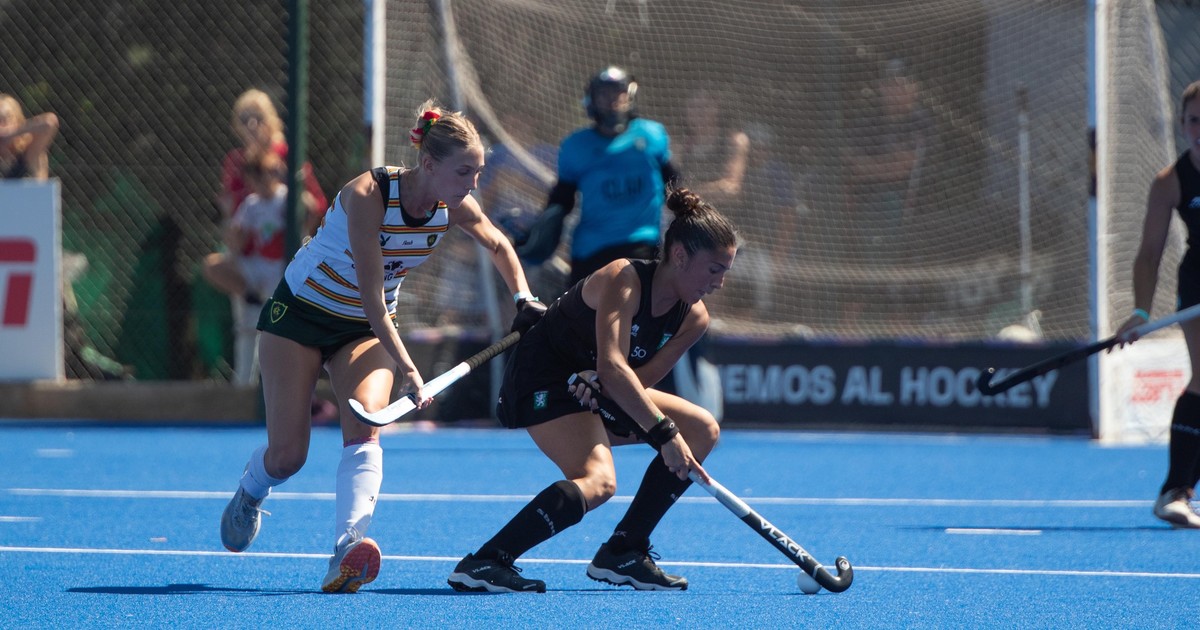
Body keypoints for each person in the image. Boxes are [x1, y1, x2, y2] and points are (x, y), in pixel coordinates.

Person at [218, 100, 547, 593]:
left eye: (478, 172)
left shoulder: (453, 204)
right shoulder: (369, 194)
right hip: (300, 318)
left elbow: (498, 244)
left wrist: (523, 297)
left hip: (363, 331)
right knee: (288, 457)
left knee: (366, 425)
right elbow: (371, 294)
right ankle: (250, 491)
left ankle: (346, 547)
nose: (474, 183)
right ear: (428, 164)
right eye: (464, 172)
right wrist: (410, 368)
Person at [448, 186, 737, 593]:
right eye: (714, 269)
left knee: (702, 429)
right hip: (542, 378)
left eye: (725, 271)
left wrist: (606, 388)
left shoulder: (694, 319)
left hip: (600, 389)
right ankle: (486, 561)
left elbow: (639, 378)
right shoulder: (624, 277)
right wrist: (664, 434)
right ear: (679, 256)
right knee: (599, 481)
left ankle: (624, 551)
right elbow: (613, 365)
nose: (719, 283)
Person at [1115, 79, 1200, 529]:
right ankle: (1175, 492)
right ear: (1182, 124)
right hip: (1197, 285)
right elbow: (1149, 254)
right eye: (1194, 120)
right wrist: (1141, 313)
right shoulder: (1170, 181)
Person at [517, 66, 681, 288]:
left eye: (618, 93)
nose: (612, 100)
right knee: (579, 310)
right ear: (591, 99)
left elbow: (674, 186)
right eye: (604, 94)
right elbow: (561, 200)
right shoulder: (576, 145)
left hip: (642, 245)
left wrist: (693, 224)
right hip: (591, 250)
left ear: (630, 96)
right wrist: (541, 227)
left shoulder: (652, 135)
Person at [201, 151, 292, 384]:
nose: (258, 184)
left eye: (262, 176)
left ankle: (278, 383)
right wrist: (227, 214)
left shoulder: (288, 198)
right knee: (214, 266)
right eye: (253, 178)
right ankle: (243, 384)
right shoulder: (252, 204)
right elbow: (236, 243)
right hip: (258, 267)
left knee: (275, 332)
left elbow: (310, 217)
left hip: (282, 271)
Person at [218, 88, 326, 232]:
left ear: (270, 119)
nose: (252, 125)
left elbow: (318, 205)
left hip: (285, 238)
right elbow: (230, 211)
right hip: (249, 241)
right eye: (244, 119)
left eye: (258, 117)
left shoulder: (287, 154)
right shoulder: (235, 161)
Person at [675, 87, 750, 208]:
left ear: (716, 108)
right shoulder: (679, 147)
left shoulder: (734, 141)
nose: (699, 113)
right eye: (693, 107)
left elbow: (732, 188)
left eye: (704, 106)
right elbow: (674, 187)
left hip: (727, 215)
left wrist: (691, 193)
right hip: (690, 215)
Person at [0, 94, 59, 180]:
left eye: (7, 118)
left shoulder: (31, 151)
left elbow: (49, 123)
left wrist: (11, 132)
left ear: (17, 120)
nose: (2, 125)